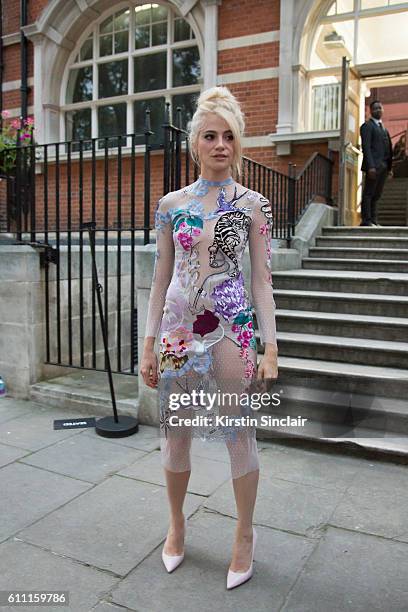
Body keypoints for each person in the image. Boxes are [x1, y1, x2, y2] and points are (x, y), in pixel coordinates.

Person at [140, 86, 278, 589]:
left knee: (238, 432)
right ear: (195, 143)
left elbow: (262, 280)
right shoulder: (171, 204)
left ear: (238, 144)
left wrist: (270, 345)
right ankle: (176, 524)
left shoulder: (254, 205)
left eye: (229, 136)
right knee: (175, 433)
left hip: (233, 329)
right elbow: (160, 277)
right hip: (177, 332)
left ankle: (245, 533)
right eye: (209, 135)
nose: (220, 144)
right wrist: (149, 341)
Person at [359, 100, 393, 226]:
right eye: (375, 108)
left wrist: (389, 168)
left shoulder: (384, 128)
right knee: (368, 193)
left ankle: (373, 219)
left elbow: (388, 148)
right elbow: (366, 147)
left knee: (377, 195)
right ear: (370, 111)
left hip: (384, 167)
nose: (378, 110)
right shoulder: (367, 126)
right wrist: (371, 167)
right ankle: (366, 220)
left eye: (380, 108)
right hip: (373, 166)